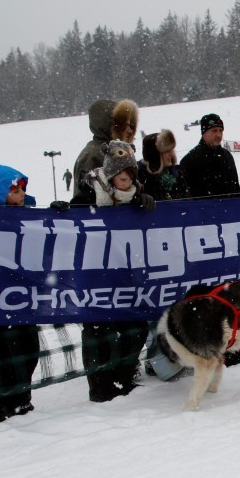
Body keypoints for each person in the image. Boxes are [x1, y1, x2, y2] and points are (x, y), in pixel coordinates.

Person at [83, 141, 155, 401]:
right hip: (95, 272)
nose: (127, 183)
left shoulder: (135, 195)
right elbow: (74, 221)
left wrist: (143, 202)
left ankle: (122, 377)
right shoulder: (89, 190)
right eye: (122, 178)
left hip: (124, 272)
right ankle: (99, 386)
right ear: (111, 175)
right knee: (99, 330)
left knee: (135, 327)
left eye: (131, 178)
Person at [0, 165, 41, 425]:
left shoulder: (29, 215)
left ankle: (20, 396)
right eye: (15, 190)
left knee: (28, 347)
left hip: (23, 296)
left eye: (22, 188)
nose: (22, 193)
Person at [180, 113, 240, 200]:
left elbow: (236, 190)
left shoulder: (227, 156)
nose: (219, 135)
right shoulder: (190, 160)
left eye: (221, 130)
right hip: (204, 212)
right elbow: (186, 197)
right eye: (214, 130)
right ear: (204, 132)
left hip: (230, 211)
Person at [139, 130, 187, 200]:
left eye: (172, 150)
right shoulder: (141, 178)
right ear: (155, 155)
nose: (171, 154)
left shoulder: (177, 174)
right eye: (167, 151)